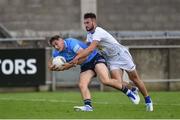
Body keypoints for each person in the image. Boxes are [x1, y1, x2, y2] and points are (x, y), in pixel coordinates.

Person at [71, 13, 153, 112]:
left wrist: (77, 57)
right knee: (116, 83)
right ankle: (133, 89)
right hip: (111, 59)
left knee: (135, 78)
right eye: (84, 23)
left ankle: (148, 100)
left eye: (88, 22)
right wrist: (73, 60)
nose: (86, 25)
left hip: (121, 55)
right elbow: (86, 48)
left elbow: (91, 49)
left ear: (94, 22)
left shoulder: (98, 32)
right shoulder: (89, 35)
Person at [48, 35, 140, 112]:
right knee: (82, 84)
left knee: (105, 80)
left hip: (95, 58)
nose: (56, 47)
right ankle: (88, 106)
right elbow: (50, 61)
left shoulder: (72, 43)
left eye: (56, 44)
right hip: (86, 65)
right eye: (53, 46)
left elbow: (84, 56)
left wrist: (70, 65)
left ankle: (129, 93)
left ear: (61, 40)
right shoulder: (57, 52)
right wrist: (51, 67)